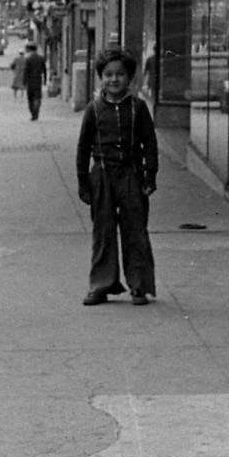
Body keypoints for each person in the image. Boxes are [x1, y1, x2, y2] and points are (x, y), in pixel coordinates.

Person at [75, 46, 158, 306]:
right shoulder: (94, 109)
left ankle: (139, 286)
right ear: (101, 77)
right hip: (102, 176)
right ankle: (101, 284)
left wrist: (149, 176)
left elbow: (150, 144)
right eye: (108, 74)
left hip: (131, 175)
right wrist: (83, 183)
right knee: (103, 231)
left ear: (129, 77)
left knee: (135, 230)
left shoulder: (138, 108)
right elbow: (83, 148)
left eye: (120, 74)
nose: (114, 79)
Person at [21, 41, 47, 120]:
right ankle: (36, 112)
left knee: (30, 98)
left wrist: (24, 81)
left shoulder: (28, 59)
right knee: (37, 97)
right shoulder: (41, 58)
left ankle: (33, 113)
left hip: (30, 81)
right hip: (38, 80)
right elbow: (44, 70)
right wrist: (45, 79)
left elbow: (26, 71)